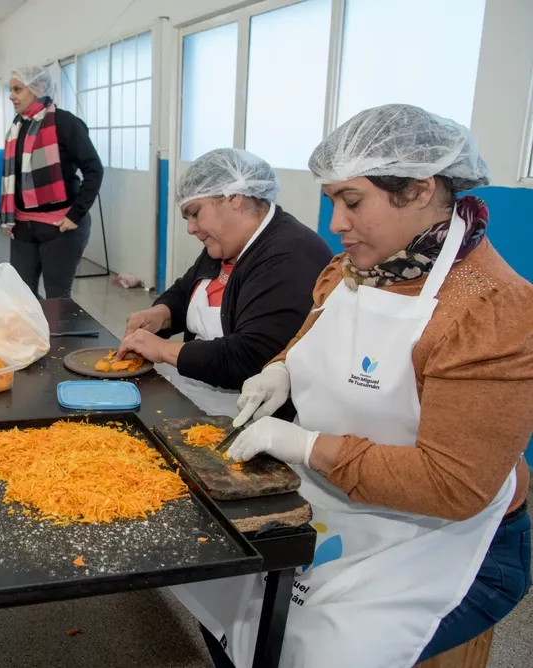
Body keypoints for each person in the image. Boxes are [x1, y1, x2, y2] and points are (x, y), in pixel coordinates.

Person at [181, 104, 533, 668]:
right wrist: (282, 369)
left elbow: (454, 486)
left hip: (443, 539)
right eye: (331, 203)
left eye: (352, 202)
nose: (335, 224)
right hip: (336, 499)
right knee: (229, 598)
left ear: (419, 190)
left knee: (313, 649)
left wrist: (302, 445)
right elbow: (311, 336)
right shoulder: (354, 271)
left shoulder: (494, 311)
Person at [117, 149, 332, 417]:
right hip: (195, 394)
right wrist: (161, 314)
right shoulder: (224, 244)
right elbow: (186, 290)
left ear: (234, 198)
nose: (191, 228)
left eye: (195, 213)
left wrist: (162, 350)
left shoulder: (291, 253)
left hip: (244, 416)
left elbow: (251, 358)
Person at [2, 65, 103, 299]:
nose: (11, 96)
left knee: (57, 298)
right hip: (23, 227)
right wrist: (8, 216)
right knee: (21, 296)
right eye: (11, 89)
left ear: (37, 88)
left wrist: (76, 214)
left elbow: (94, 169)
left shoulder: (65, 123)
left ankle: (58, 337)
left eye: (17, 89)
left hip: (60, 227)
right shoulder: (17, 127)